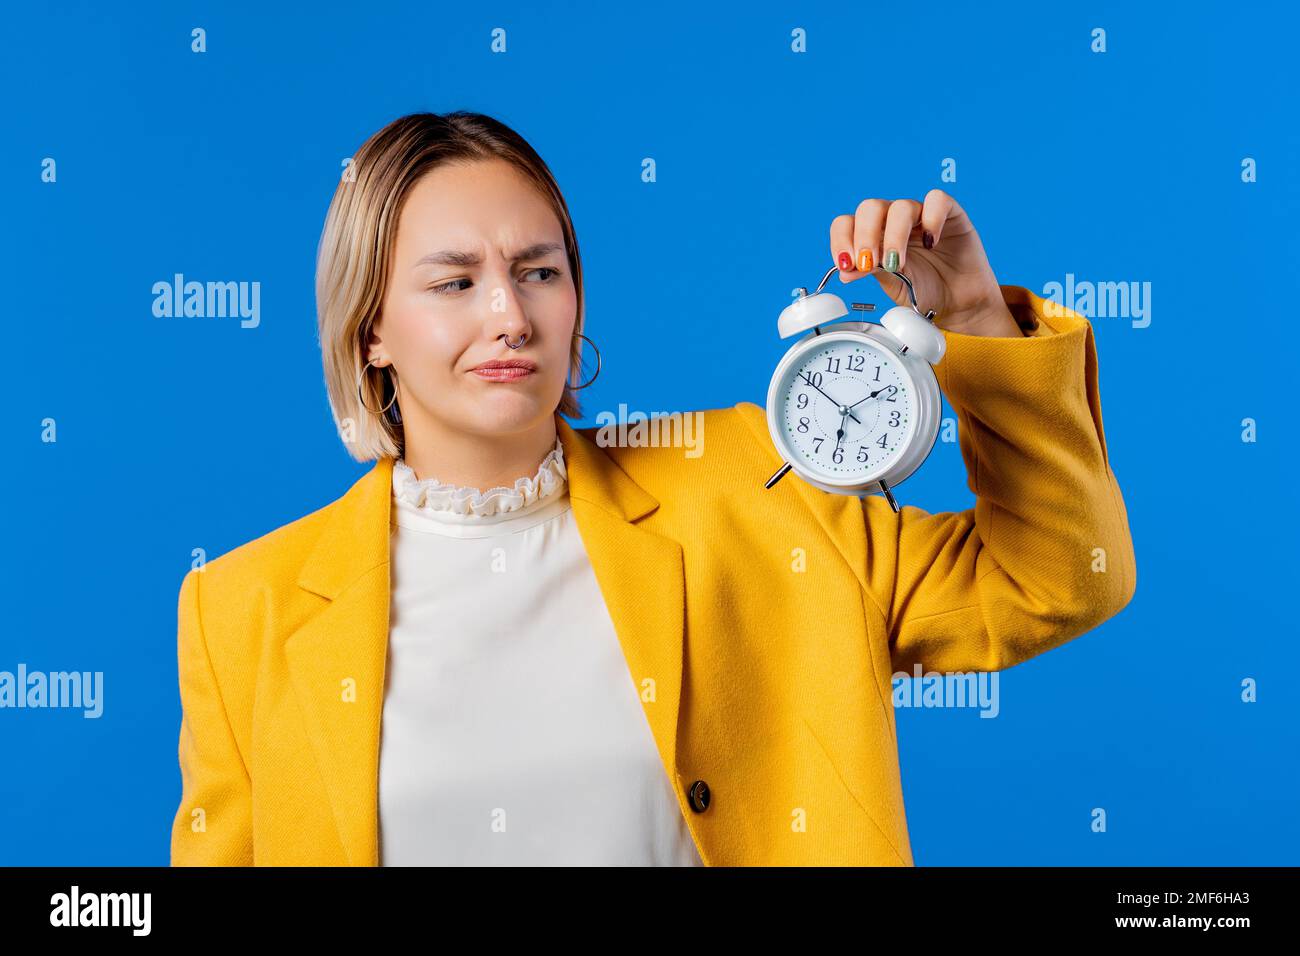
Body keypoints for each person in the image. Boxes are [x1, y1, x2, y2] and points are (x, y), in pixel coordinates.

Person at [169, 111, 1135, 866]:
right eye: (455, 282)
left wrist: (970, 317)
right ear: (371, 327)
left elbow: (1060, 575)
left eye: (537, 271)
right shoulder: (242, 613)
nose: (509, 314)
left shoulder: (757, 490)